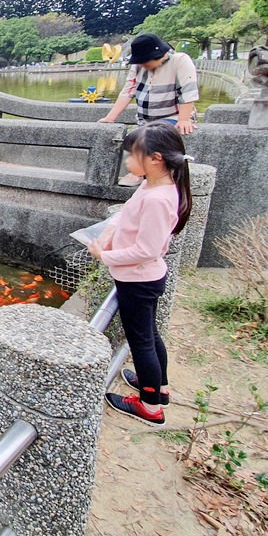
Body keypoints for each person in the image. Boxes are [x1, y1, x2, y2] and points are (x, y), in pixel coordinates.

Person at [87, 122, 192, 427]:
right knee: (149, 335)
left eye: (133, 156)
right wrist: (108, 232)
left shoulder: (159, 199)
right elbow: (127, 213)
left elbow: (146, 250)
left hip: (139, 280)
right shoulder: (154, 184)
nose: (129, 162)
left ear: (156, 158)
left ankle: (149, 407)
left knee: (141, 341)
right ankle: (158, 388)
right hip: (142, 278)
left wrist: (104, 255)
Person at [98, 33, 200, 186]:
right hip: (145, 118)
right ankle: (141, 172)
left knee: (151, 138)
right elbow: (128, 91)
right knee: (135, 138)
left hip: (172, 115)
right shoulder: (137, 66)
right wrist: (110, 117)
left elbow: (188, 92)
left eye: (145, 62)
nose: (142, 65)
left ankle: (139, 173)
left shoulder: (180, 61)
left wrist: (184, 119)